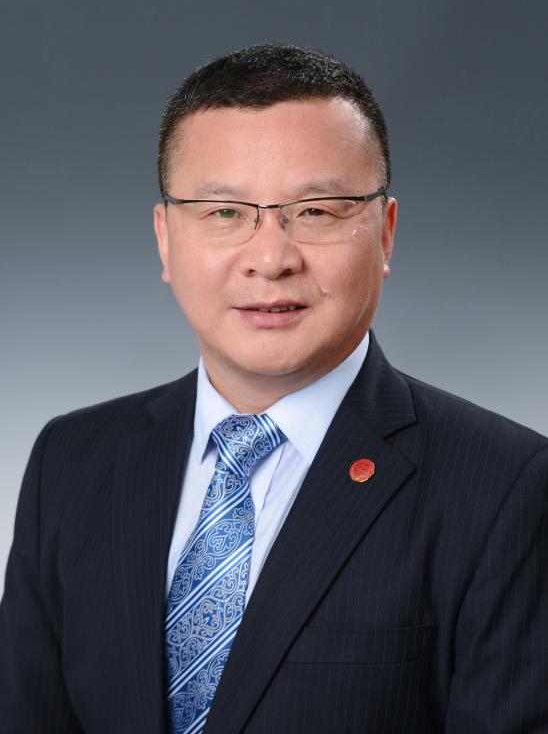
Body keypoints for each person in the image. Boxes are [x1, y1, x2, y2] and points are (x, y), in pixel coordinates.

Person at [1, 44, 547, 734]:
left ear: (384, 234)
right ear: (166, 239)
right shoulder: (72, 459)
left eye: (316, 211)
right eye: (224, 213)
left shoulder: (504, 487)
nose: (270, 259)